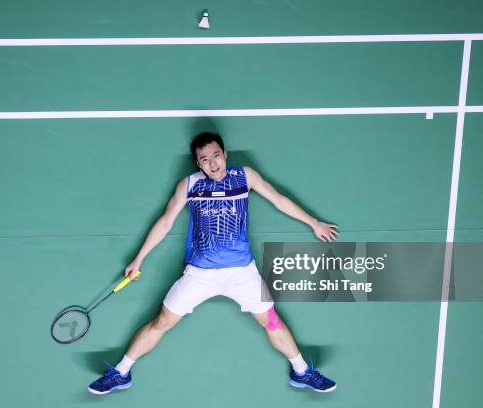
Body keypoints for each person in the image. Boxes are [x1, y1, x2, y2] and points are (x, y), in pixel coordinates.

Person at [88, 132, 339, 395]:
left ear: (225, 154)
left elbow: (279, 200)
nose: (213, 164)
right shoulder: (189, 185)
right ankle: (120, 373)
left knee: (272, 321)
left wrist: (314, 223)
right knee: (162, 322)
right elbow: (165, 222)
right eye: (204, 159)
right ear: (198, 163)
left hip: (242, 272)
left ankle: (301, 372)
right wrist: (139, 258)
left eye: (216, 156)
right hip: (200, 274)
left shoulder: (245, 177)